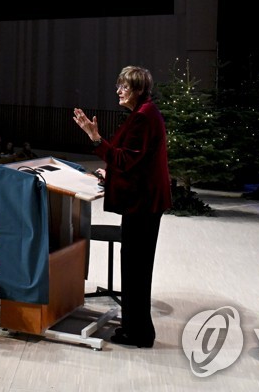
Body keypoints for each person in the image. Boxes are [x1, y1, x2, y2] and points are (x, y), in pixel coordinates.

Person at [73, 65, 171, 348]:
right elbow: (133, 160)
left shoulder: (142, 117)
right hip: (144, 200)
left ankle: (138, 333)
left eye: (124, 87)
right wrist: (109, 172)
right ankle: (135, 328)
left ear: (139, 90)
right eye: (119, 86)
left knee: (136, 268)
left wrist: (94, 138)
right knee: (135, 266)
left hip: (143, 203)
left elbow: (126, 160)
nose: (118, 91)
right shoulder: (142, 113)